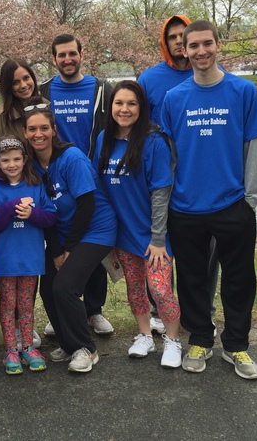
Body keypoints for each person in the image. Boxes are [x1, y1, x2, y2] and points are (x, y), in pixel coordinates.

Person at [160, 20, 257, 380]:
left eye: (207, 44)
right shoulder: (174, 99)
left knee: (239, 279)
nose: (201, 51)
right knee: (191, 279)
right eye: (193, 46)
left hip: (232, 204)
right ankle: (201, 339)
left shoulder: (243, 91)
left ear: (218, 45)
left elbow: (252, 146)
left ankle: (236, 345)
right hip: (186, 207)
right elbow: (170, 156)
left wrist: (250, 200)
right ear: (184, 50)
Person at [138, 15, 219, 337]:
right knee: (159, 245)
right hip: (160, 178)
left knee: (202, 255)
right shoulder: (150, 79)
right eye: (172, 37)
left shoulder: (214, 80)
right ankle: (160, 307)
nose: (177, 41)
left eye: (182, 35)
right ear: (168, 42)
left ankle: (202, 313)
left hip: (202, 179)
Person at [93, 80, 182, 368]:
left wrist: (158, 238)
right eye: (119, 103)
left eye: (132, 103)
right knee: (134, 288)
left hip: (152, 236)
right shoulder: (104, 139)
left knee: (160, 289)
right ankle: (144, 335)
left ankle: (172, 340)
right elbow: (98, 186)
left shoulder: (153, 142)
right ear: (111, 107)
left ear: (141, 107)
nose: (125, 109)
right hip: (122, 234)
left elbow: (161, 193)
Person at [23, 100, 117, 373]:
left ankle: (86, 349)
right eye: (31, 129)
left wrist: (69, 250)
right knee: (48, 288)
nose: (38, 134)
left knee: (65, 287)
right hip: (63, 234)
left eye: (44, 128)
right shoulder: (32, 167)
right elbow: (45, 215)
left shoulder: (71, 157)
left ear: (54, 130)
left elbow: (87, 205)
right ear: (25, 133)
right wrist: (55, 251)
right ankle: (68, 343)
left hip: (96, 231)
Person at [38, 34, 115, 336]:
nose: (67, 59)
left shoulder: (100, 89)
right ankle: (67, 308)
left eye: (72, 53)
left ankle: (93, 310)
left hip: (90, 173)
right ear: (54, 59)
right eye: (61, 55)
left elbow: (111, 130)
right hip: (56, 175)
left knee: (90, 242)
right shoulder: (45, 91)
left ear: (82, 54)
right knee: (62, 236)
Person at [0, 136, 57, 374]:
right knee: (7, 306)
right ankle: (11, 350)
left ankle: (27, 346)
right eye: (6, 160)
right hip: (5, 261)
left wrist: (32, 214)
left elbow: (51, 217)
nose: (12, 164)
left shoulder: (36, 186)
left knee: (26, 306)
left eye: (17, 159)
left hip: (30, 259)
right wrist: (10, 207)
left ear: (25, 160)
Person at [0, 58, 48, 152]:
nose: (23, 85)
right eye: (15, 82)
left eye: (26, 78)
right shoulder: (0, 116)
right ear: (8, 86)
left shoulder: (47, 107)